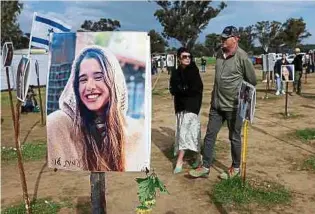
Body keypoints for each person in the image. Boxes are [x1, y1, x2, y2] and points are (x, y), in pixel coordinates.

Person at [47, 45, 147, 172]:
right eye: (83, 79)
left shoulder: (135, 133)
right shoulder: (57, 125)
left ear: (114, 81)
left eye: (98, 77)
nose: (89, 86)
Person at [189, 26, 257, 179]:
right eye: (222, 38)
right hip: (216, 105)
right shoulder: (219, 54)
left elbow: (252, 81)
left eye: (225, 38)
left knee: (234, 137)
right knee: (210, 135)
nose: (222, 41)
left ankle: (235, 167)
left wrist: (242, 98)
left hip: (234, 107)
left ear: (235, 39)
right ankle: (205, 166)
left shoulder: (242, 57)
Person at [169, 47, 203, 174]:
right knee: (184, 131)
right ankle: (198, 156)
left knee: (188, 131)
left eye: (189, 56)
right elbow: (173, 89)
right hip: (180, 106)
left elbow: (196, 89)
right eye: (184, 56)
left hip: (192, 106)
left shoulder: (194, 71)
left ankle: (180, 160)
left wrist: (182, 90)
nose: (187, 59)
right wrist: (181, 90)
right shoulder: (176, 72)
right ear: (179, 58)